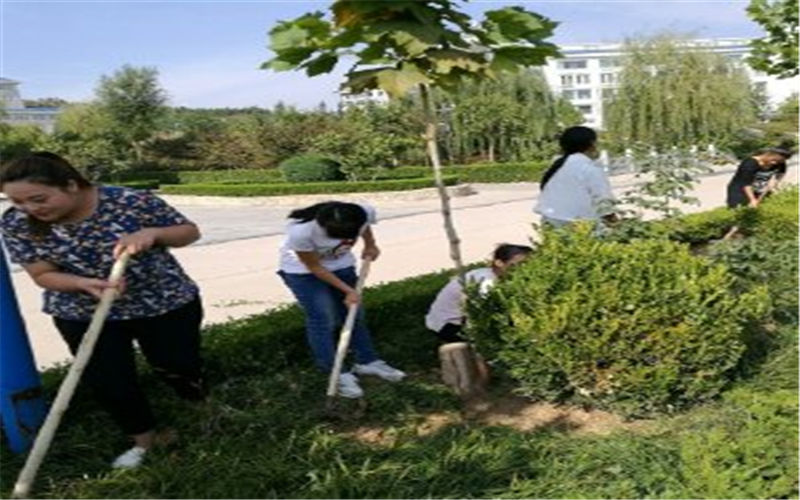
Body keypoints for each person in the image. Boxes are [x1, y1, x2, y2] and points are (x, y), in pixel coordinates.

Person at [0, 152, 205, 470]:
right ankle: (144, 440)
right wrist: (82, 283)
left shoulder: (129, 201)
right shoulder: (16, 223)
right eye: (17, 202)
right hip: (81, 310)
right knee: (109, 379)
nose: (29, 209)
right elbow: (42, 274)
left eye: (38, 199)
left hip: (163, 301)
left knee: (177, 362)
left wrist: (152, 234)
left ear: (70, 184)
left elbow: (189, 232)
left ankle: (191, 394)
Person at [277, 201, 405, 399]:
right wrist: (348, 291)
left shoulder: (361, 213)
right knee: (323, 318)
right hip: (303, 273)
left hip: (342, 266)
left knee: (355, 314)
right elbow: (315, 268)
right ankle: (336, 372)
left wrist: (370, 244)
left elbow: (365, 226)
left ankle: (367, 361)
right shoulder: (301, 232)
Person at [425, 244, 533, 343]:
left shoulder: (491, 274)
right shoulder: (486, 281)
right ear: (499, 263)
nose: (523, 269)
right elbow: (485, 311)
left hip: (450, 322)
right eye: (516, 265)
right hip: (449, 325)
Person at [535, 126, 618, 228]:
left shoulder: (557, 165)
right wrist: (617, 226)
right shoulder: (590, 169)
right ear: (591, 144)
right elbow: (603, 204)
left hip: (550, 219)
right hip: (578, 225)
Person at [726, 147, 793, 208]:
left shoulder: (780, 163)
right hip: (741, 190)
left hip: (760, 190)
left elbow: (781, 173)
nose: (774, 163)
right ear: (768, 154)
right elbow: (746, 184)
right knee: (741, 210)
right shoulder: (750, 163)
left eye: (779, 161)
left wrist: (774, 183)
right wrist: (752, 199)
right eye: (773, 160)